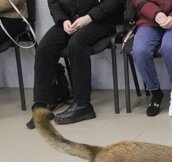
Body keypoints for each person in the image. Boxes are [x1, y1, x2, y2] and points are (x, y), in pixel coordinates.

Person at [26, 0, 123, 129]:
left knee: (76, 44)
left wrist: (90, 17)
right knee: (44, 49)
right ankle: (41, 105)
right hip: (70, 20)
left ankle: (83, 105)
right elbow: (53, 2)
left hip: (102, 20)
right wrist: (62, 20)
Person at [131, 0, 172, 117]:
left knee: (169, 46)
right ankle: (155, 92)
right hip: (150, 20)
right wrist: (155, 14)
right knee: (140, 50)